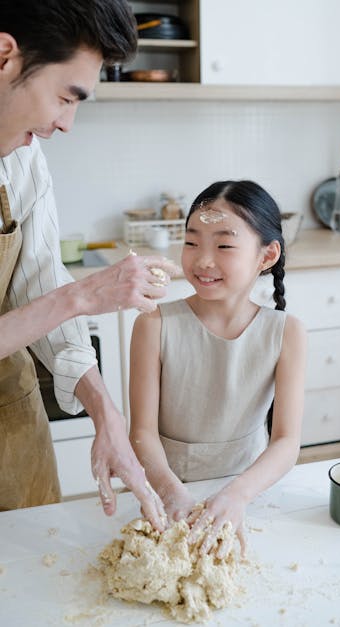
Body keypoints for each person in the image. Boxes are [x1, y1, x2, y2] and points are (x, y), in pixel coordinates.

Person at [0, 0, 178, 529]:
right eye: (63, 97)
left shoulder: (24, 162)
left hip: (9, 416)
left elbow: (38, 281)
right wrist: (82, 295)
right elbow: (59, 297)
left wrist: (106, 414)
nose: (67, 123)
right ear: (5, 55)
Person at [129, 180, 307, 553]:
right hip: (166, 490)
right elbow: (141, 432)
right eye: (192, 242)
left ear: (267, 256)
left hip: (248, 491)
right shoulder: (154, 324)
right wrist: (171, 492)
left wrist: (238, 495)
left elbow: (287, 441)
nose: (203, 260)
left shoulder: (286, 332)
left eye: (224, 245)